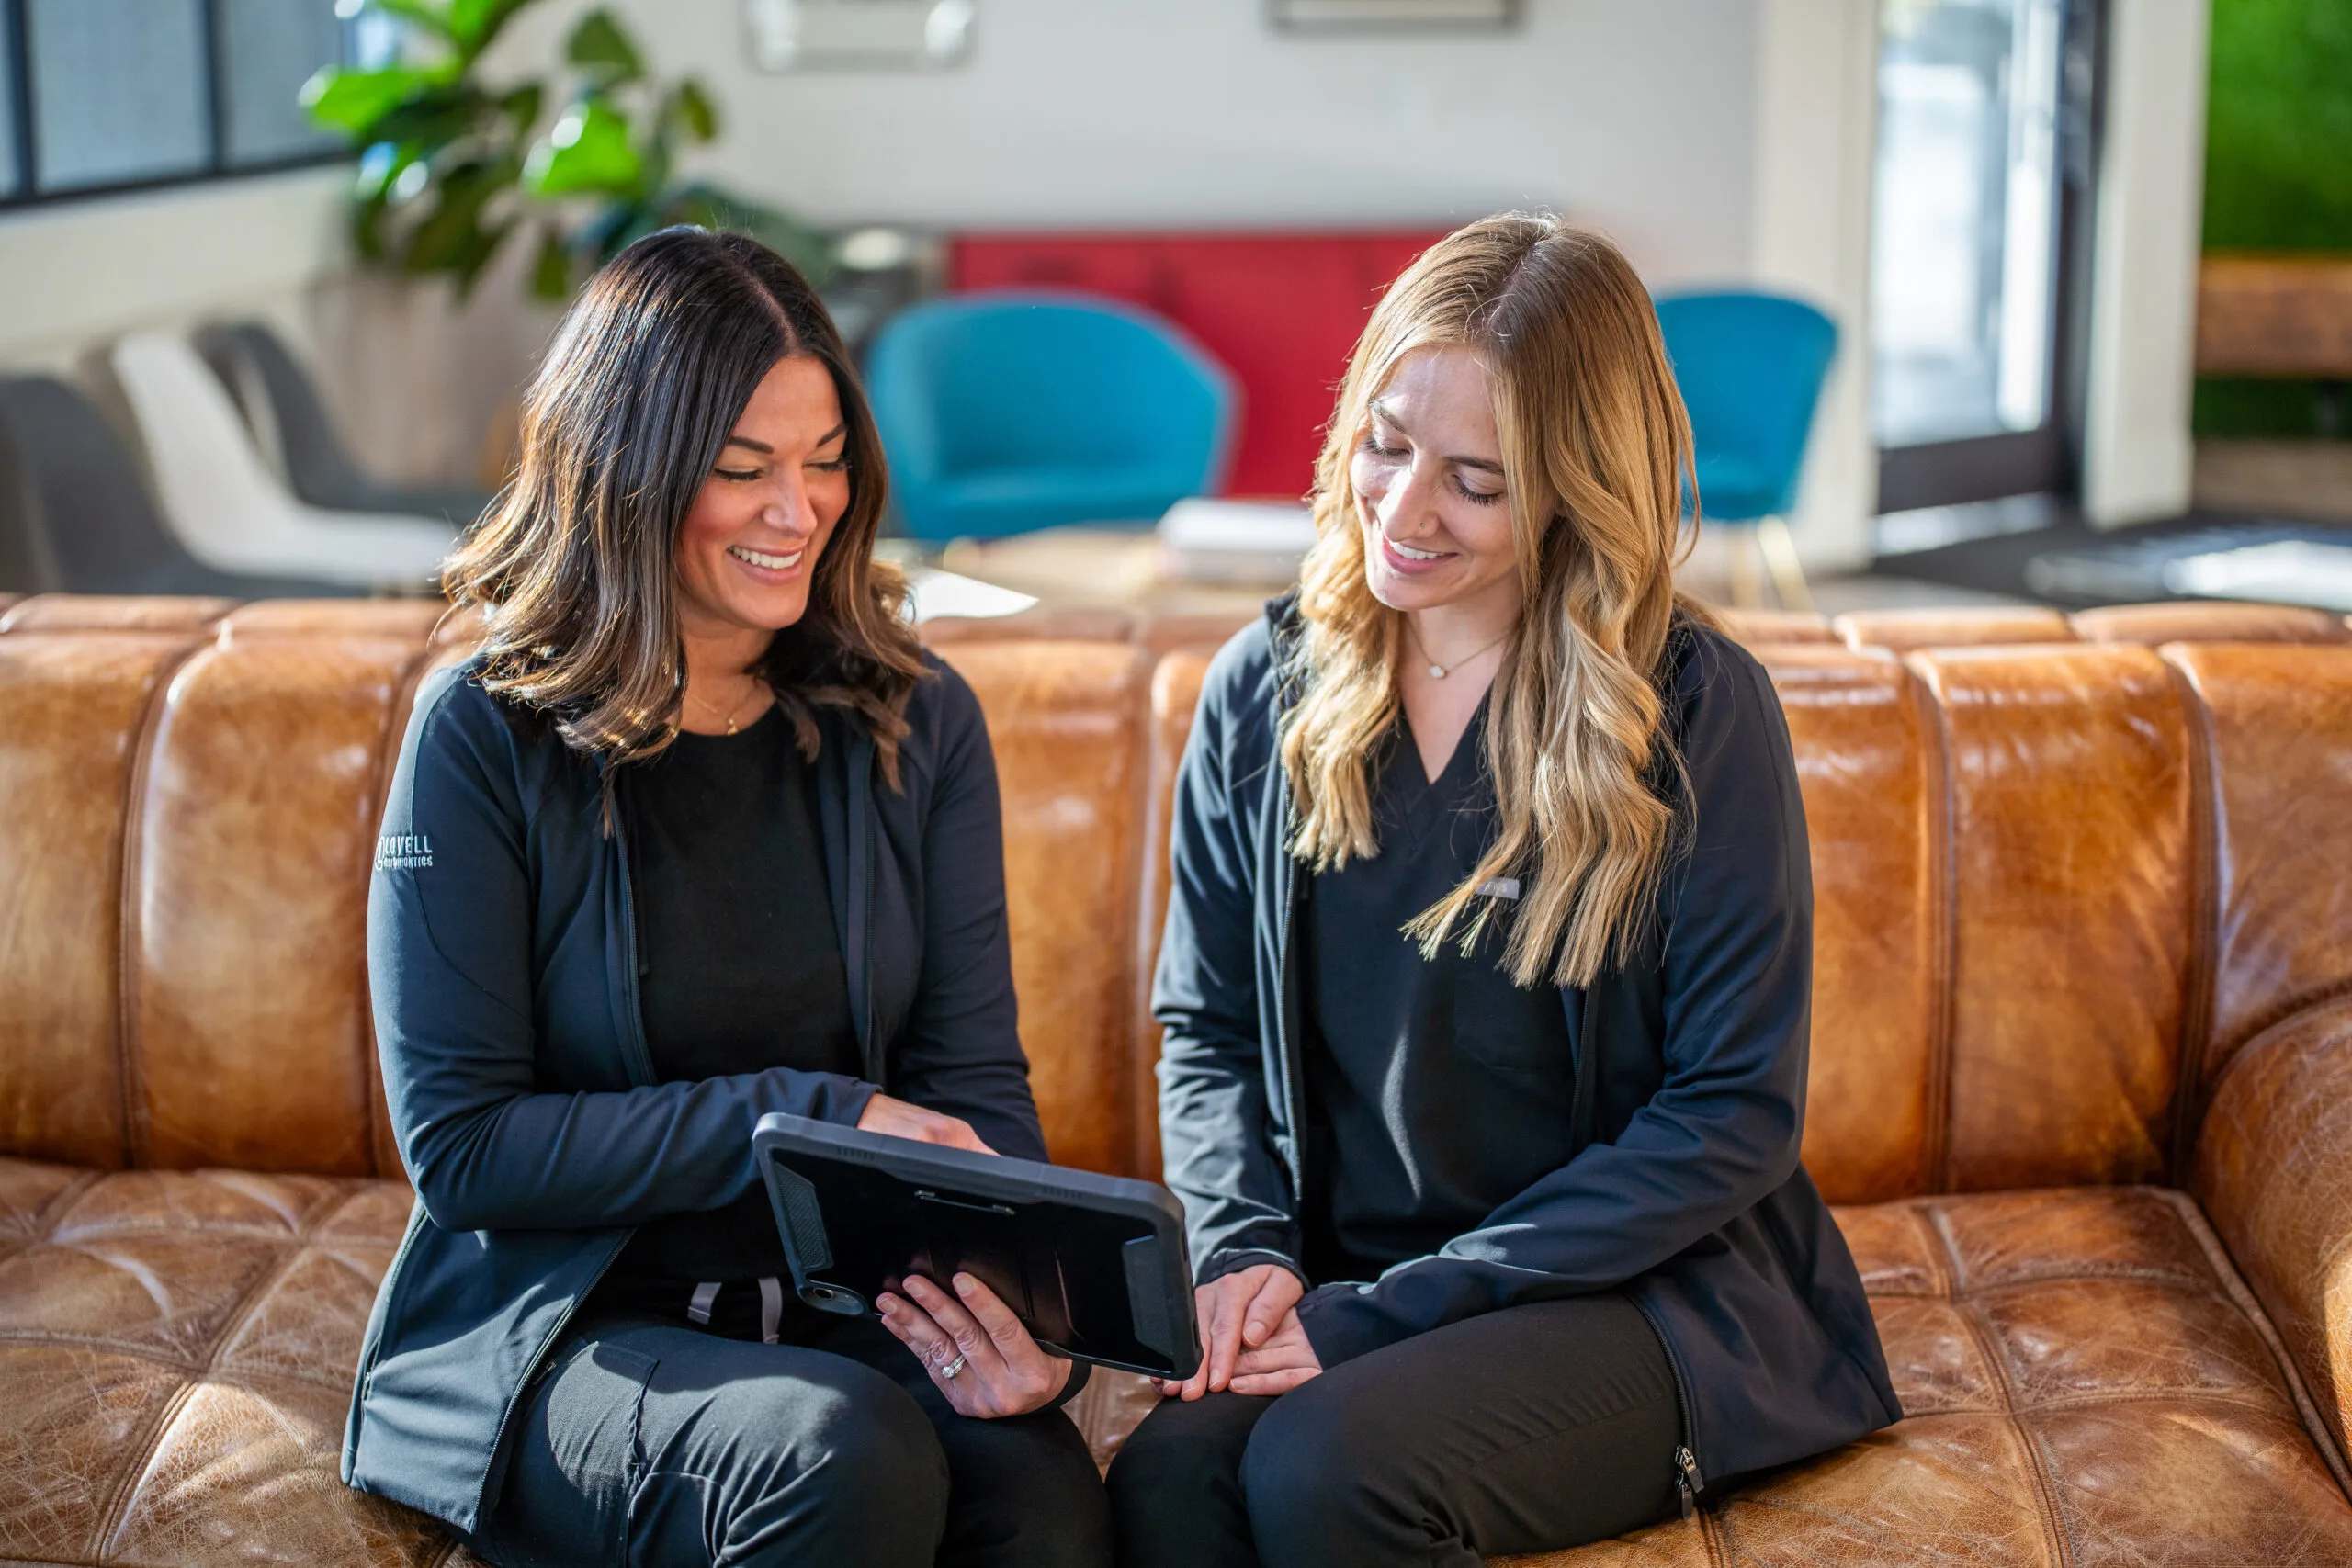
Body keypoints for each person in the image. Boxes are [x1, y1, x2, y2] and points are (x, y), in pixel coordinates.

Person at [1107, 214, 1899, 1567]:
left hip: (1642, 1290)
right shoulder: (1264, 692)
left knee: (1325, 1470)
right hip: (1352, 1279)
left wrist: (1379, 1318)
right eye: (1387, 441)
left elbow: (1731, 1115)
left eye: (1476, 480)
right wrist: (1242, 1253)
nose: (1405, 512)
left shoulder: (1698, 714)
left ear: (1576, 492)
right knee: (1166, 1483)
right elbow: (1211, 1030)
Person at [342, 228, 1111, 1568]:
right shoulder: (482, 734)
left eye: (824, 461)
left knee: (1040, 1493)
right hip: (572, 1318)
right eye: (743, 468)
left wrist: (1015, 1311)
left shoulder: (916, 722)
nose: (798, 508)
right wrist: (814, 1116)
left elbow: (972, 1084)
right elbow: (466, 1150)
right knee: (839, 1456)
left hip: (854, 1308)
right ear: (625, 474)